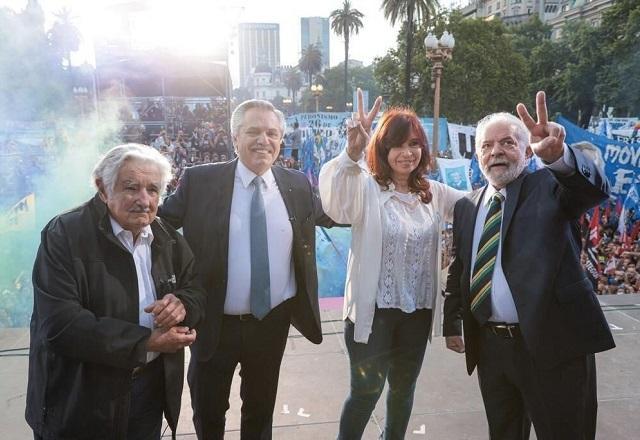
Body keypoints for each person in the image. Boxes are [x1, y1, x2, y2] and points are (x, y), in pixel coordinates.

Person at [443, 91, 616, 439]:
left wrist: (560, 159)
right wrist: (452, 321)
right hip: (491, 349)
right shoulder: (467, 206)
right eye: (487, 146)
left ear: (526, 151)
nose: (496, 152)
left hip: (553, 344)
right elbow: (461, 266)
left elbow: (592, 190)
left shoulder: (550, 186)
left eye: (507, 143)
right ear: (477, 155)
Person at [160, 99, 335, 439]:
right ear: (234, 137)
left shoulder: (297, 184)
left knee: (260, 414)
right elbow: (157, 227)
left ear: (281, 140)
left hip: (271, 323)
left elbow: (337, 212)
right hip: (213, 324)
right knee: (209, 415)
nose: (263, 140)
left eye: (272, 133)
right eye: (253, 131)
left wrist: (355, 163)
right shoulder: (200, 181)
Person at [26, 144, 206, 440]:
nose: (144, 200)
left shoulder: (167, 238)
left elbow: (196, 288)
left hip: (148, 393)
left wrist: (183, 304)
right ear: (102, 188)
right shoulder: (65, 235)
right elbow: (60, 325)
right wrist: (146, 342)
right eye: (131, 188)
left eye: (153, 189)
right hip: (81, 399)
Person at [318, 89, 466, 440]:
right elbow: (335, 205)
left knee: (402, 391)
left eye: (414, 144)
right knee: (366, 393)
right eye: (397, 145)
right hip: (374, 313)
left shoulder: (433, 193)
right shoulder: (366, 188)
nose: (407, 153)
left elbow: (478, 207)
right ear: (383, 150)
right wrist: (351, 152)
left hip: (417, 312)